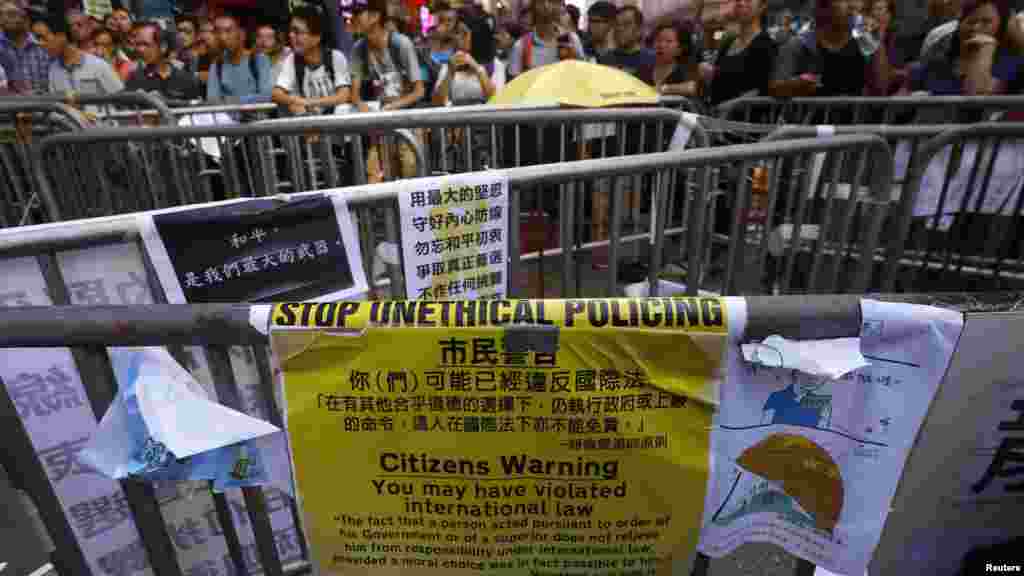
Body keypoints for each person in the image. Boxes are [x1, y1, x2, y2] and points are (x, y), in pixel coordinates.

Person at [349, 0, 424, 182]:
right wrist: (366, 110)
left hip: (409, 121)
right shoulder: (358, 49)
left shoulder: (401, 43)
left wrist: (392, 107)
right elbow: (354, 95)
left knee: (410, 174)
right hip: (381, 123)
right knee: (374, 175)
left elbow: (419, 91)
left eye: (359, 13)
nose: (353, 18)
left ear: (375, 16)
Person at [769, 0, 889, 97]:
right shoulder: (800, 43)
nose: (852, 6)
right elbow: (775, 88)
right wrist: (796, 86)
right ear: (823, 6)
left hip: (852, 124)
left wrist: (878, 41)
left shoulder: (865, 41)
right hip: (809, 124)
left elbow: (880, 90)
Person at [903, 0, 1024, 95]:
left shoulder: (1011, 65)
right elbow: (894, 111)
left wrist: (985, 51)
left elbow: (977, 97)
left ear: (1000, 27)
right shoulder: (936, 65)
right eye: (970, 22)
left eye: (986, 22)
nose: (976, 28)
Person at [273, 6, 351, 115]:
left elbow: (344, 96)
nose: (291, 35)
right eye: (290, 31)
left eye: (297, 32)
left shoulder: (336, 57)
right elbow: (277, 93)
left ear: (316, 37)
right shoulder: (292, 60)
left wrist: (308, 102)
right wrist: (293, 101)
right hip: (311, 125)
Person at [701, 0, 778, 105]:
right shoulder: (728, 42)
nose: (741, 3)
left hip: (742, 119)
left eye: (748, 0)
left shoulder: (766, 45)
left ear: (762, 6)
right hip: (715, 115)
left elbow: (761, 90)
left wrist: (732, 105)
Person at [44, 13, 123, 97]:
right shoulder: (53, 69)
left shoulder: (98, 65)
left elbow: (121, 98)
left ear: (61, 37)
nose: (40, 43)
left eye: (43, 38)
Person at [432, 14, 503, 105]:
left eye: (464, 34)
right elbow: (437, 102)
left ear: (477, 36)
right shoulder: (450, 63)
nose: (458, 38)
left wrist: (478, 69)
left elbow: (497, 99)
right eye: (458, 33)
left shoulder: (495, 65)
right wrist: (450, 72)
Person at [207, 12, 272, 103]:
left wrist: (233, 101)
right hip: (226, 116)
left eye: (228, 31)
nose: (222, 37)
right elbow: (212, 100)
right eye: (218, 32)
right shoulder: (217, 65)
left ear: (242, 34)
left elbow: (266, 96)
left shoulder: (259, 60)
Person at [126, 22, 202, 101]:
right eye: (138, 44)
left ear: (163, 47)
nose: (140, 49)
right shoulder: (135, 79)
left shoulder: (185, 79)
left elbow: (194, 109)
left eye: (145, 44)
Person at [508, 0, 583, 77]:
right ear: (533, 6)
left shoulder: (572, 39)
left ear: (561, 5)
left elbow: (581, 76)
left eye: (552, 1)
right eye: (540, 1)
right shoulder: (521, 46)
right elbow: (514, 85)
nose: (546, 6)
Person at [0, 1, 49, 93]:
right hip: (7, 105)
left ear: (25, 17)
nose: (5, 18)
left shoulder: (42, 46)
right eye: (1, 15)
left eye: (11, 14)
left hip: (42, 104)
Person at [640, 21, 698, 97]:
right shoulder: (644, 70)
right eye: (658, 40)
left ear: (680, 48)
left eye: (668, 41)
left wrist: (665, 89)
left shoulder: (685, 70)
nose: (661, 45)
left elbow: (692, 88)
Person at [599, 6, 655, 77]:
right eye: (617, 24)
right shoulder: (605, 59)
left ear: (639, 29)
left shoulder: (651, 60)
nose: (620, 29)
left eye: (626, 24)